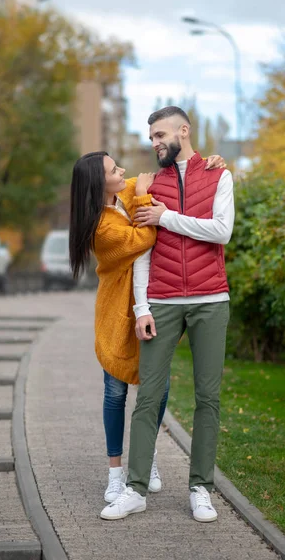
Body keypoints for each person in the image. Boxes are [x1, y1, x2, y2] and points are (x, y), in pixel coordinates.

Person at [100, 106, 234, 523]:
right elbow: (143, 250)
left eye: (160, 135)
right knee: (149, 395)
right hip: (161, 299)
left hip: (211, 299)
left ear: (184, 130)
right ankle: (135, 489)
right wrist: (141, 307)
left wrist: (167, 217)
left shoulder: (218, 175)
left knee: (207, 398)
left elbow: (221, 231)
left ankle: (200, 488)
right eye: (152, 137)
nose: (155, 143)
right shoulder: (149, 183)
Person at [69, 148, 226, 504]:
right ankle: (115, 473)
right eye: (113, 169)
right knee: (116, 391)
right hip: (117, 312)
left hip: (153, 302)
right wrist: (143, 197)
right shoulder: (99, 227)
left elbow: (167, 178)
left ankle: (147, 457)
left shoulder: (122, 191)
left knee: (157, 384)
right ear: (99, 181)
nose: (122, 171)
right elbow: (147, 236)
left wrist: (209, 165)